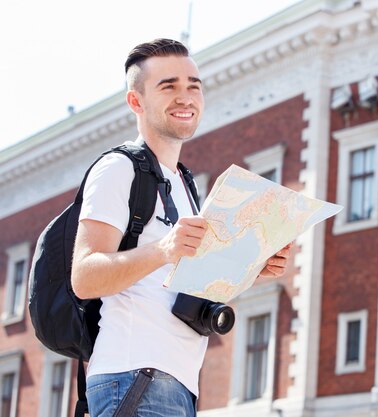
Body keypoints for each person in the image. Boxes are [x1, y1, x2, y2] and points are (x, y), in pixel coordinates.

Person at [71, 38, 291, 416]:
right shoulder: (119, 169)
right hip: (136, 376)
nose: (185, 96)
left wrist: (250, 269)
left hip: (176, 384)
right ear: (136, 101)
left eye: (193, 85)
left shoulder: (185, 185)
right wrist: (163, 249)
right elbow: (84, 276)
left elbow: (183, 284)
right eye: (168, 86)